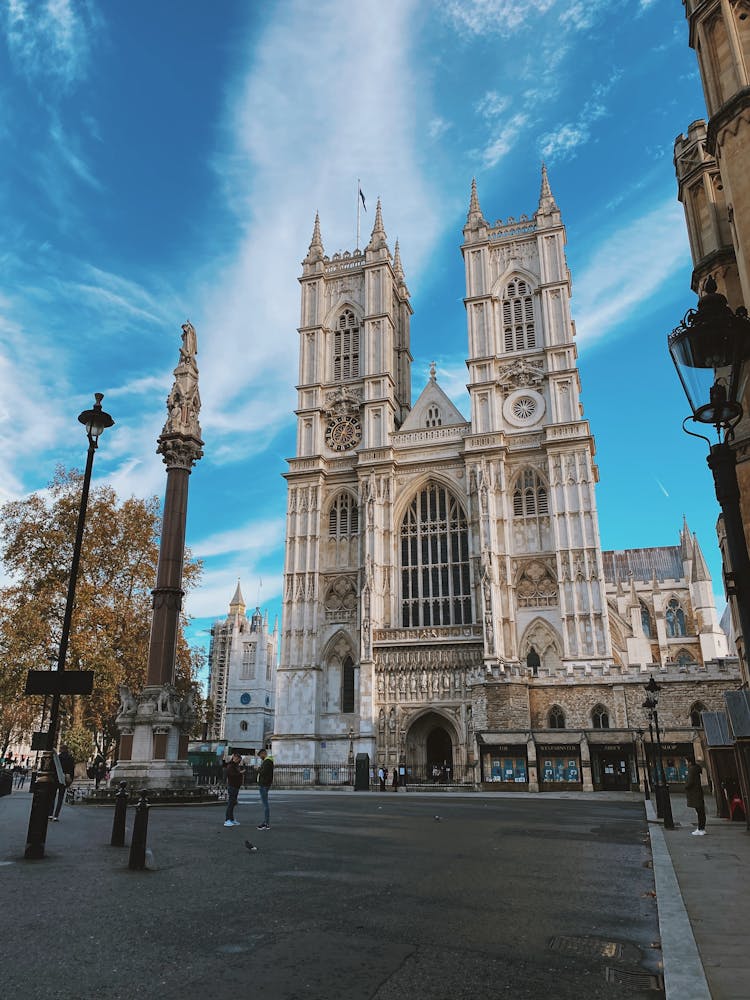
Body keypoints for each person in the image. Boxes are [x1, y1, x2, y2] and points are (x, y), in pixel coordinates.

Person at [50, 745, 75, 821]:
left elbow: (53, 769)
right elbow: (72, 771)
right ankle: (56, 816)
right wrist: (70, 781)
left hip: (56, 779)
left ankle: (50, 814)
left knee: (53, 797)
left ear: (61, 750)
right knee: (60, 798)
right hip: (64, 780)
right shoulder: (70, 758)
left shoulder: (58, 758)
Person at [223, 752, 245, 827]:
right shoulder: (230, 765)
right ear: (234, 758)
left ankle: (231, 819)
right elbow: (232, 775)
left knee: (233, 803)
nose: (238, 760)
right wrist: (240, 772)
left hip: (236, 786)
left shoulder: (235, 765)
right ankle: (227, 820)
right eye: (237, 758)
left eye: (239, 759)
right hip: (232, 786)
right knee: (230, 803)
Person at [685, 760, 707, 836]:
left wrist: (686, 786)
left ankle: (701, 829)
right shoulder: (696, 769)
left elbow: (690, 782)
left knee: (699, 811)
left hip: (695, 793)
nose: (686, 763)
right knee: (700, 811)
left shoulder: (692, 770)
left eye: (687, 761)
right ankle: (701, 828)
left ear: (690, 762)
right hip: (698, 792)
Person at [257, 748, 274, 830]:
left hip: (264, 784)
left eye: (260, 755)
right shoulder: (268, 761)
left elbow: (263, 772)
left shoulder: (267, 761)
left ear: (263, 753)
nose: (260, 757)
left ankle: (266, 823)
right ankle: (265, 822)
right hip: (265, 784)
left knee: (265, 804)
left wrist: (258, 769)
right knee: (265, 804)